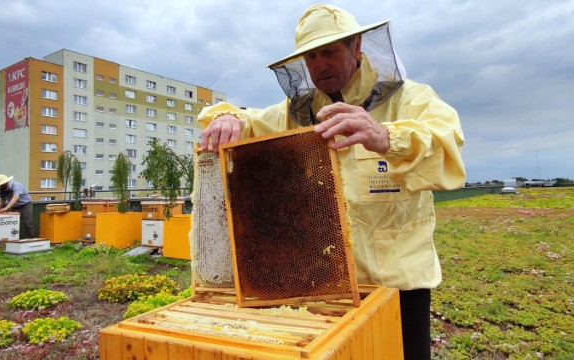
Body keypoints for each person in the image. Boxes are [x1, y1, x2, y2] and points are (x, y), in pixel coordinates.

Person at [199, 4, 465, 358]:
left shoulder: (410, 99)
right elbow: (249, 121)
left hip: (398, 284)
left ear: (356, 47)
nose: (319, 65)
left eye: (329, 52)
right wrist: (227, 116)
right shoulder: (297, 112)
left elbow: (444, 144)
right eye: (310, 56)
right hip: (324, 285)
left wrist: (386, 136)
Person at [0, 174, 36, 239]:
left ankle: (31, 239)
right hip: (14, 206)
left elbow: (16, 197)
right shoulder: (2, 189)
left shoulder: (17, 185)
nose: (0, 186)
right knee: (11, 222)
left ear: (5, 182)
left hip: (25, 205)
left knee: (27, 223)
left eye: (1, 184)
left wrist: (6, 208)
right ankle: (11, 239)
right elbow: (2, 201)